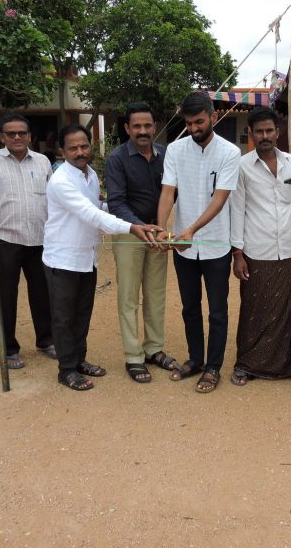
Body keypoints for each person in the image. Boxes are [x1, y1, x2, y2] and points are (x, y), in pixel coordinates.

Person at [43, 125, 159, 391]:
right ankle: (67, 370)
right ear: (63, 151)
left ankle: (79, 360)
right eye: (73, 148)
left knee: (82, 314)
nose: (80, 152)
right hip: (63, 259)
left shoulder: (90, 174)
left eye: (84, 146)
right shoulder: (61, 180)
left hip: (87, 257)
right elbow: (91, 215)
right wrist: (132, 226)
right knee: (64, 318)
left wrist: (125, 208)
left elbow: (98, 207)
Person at [156, 91, 240, 393]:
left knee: (217, 310)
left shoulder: (230, 153)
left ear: (213, 117)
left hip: (216, 245)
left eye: (200, 122)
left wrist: (191, 229)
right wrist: (160, 227)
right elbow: (168, 192)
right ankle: (195, 359)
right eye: (189, 123)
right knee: (189, 308)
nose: (194, 129)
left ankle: (213, 366)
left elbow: (220, 200)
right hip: (183, 247)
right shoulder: (175, 150)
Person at [229, 107, 291, 385]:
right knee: (255, 312)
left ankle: (283, 363)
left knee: (284, 312)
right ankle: (246, 364)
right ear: (251, 134)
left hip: (287, 249)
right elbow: (236, 210)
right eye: (259, 131)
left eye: (269, 131)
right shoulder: (242, 167)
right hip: (256, 250)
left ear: (278, 132)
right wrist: (237, 254)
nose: (265, 136)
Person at [0, 113, 55, 370]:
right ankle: (8, 348)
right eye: (11, 133)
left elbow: (54, 199)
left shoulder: (43, 162)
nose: (17, 137)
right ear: (2, 136)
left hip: (40, 239)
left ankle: (46, 340)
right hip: (4, 240)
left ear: (30, 136)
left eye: (22, 133)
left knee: (43, 295)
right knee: (5, 297)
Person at [106, 102, 177, 383]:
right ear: (127, 129)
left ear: (154, 127)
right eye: (137, 126)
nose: (143, 131)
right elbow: (116, 202)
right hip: (129, 234)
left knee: (156, 294)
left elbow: (172, 193)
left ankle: (154, 349)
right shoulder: (117, 159)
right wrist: (139, 228)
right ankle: (133, 356)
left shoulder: (165, 156)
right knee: (128, 297)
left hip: (159, 234)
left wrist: (160, 229)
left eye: (147, 125)